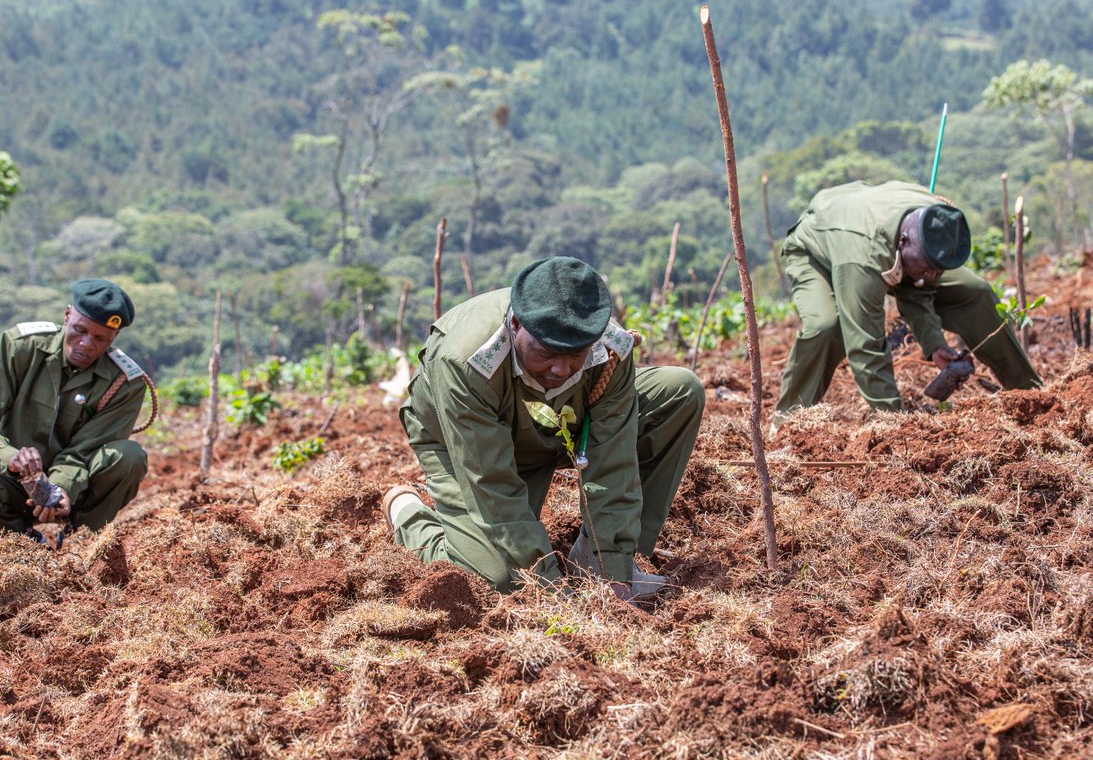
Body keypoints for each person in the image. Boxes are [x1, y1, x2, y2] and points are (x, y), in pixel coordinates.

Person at [383, 256, 705, 601]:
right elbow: (491, 484)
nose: (561, 370)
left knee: (679, 391)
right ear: (517, 324)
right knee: (497, 579)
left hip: (559, 420)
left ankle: (597, 559)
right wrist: (549, 587)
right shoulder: (466, 361)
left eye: (576, 355)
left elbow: (614, 459)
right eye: (547, 353)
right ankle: (410, 515)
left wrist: (613, 572)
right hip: (463, 440)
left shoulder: (608, 345)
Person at [774, 180, 1041, 420]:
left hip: (870, 217)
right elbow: (865, 346)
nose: (931, 276)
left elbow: (919, 289)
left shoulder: (938, 220)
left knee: (975, 292)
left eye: (936, 270)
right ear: (904, 242)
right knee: (827, 327)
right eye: (926, 268)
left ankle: (1031, 394)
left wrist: (934, 344)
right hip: (818, 247)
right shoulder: (862, 260)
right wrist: (896, 424)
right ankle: (788, 421)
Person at [0, 279, 149, 546]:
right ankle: (22, 545)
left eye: (100, 339)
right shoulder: (19, 347)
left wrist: (60, 487)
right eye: (80, 330)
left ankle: (81, 541)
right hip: (13, 484)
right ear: (66, 315)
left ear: (114, 337)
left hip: (79, 490)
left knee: (129, 457)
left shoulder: (125, 382)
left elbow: (86, 450)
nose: (86, 344)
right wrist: (10, 458)